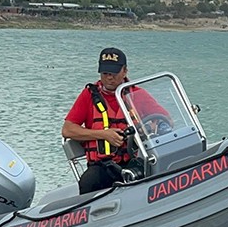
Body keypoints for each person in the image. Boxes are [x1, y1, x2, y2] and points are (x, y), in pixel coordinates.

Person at [61, 47, 165, 195]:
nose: (110, 77)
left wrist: (146, 128)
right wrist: (104, 135)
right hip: (103, 166)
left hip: (135, 160)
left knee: (157, 168)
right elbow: (68, 129)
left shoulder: (137, 94)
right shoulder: (88, 96)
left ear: (125, 71)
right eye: (105, 73)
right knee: (88, 181)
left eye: (114, 73)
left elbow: (165, 120)